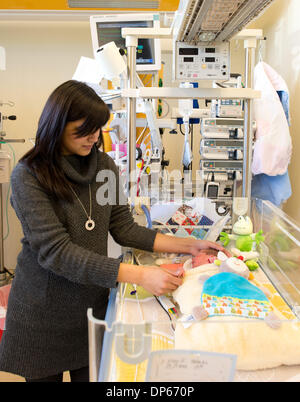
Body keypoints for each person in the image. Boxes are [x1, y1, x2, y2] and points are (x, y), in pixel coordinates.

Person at [0, 80, 229, 382]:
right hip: (43, 313)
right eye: (84, 130)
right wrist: (140, 275)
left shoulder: (104, 166)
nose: (93, 137)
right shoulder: (29, 175)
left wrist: (189, 246)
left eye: (97, 129)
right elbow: (57, 253)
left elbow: (124, 228)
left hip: (89, 307)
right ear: (57, 124)